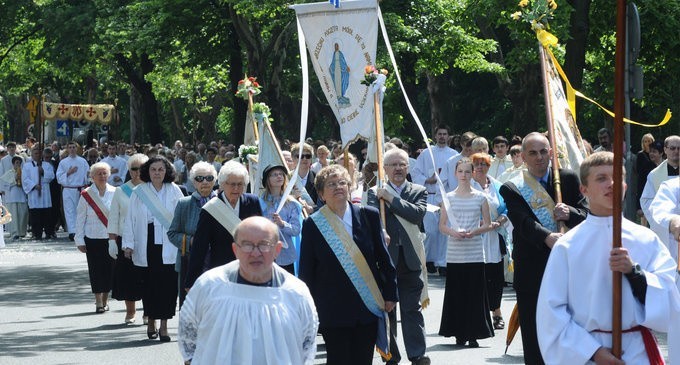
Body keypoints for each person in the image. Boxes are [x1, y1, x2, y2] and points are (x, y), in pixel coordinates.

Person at [537, 152, 680, 364]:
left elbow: (669, 298)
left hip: (637, 351)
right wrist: (593, 352)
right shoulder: (568, 246)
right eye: (601, 178)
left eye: (617, 178)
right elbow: (551, 313)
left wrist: (635, 273)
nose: (612, 184)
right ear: (584, 190)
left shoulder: (646, 239)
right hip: (586, 353)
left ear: (626, 187)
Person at [178, 217, 319, 364]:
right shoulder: (210, 285)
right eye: (247, 245)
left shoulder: (295, 292)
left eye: (264, 245)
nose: (255, 253)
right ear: (235, 249)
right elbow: (188, 335)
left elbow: (307, 344)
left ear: (277, 249)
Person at [499, 132, 587, 365]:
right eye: (532, 153)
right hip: (533, 269)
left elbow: (588, 214)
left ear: (550, 152)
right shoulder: (512, 187)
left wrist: (571, 213)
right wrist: (547, 237)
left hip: (569, 268)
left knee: (570, 330)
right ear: (523, 157)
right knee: (535, 333)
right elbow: (522, 222)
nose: (539, 157)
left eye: (543, 151)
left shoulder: (567, 179)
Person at [299, 165, 397, 365]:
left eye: (342, 182)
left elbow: (384, 259)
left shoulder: (369, 215)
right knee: (339, 359)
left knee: (363, 360)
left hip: (367, 305)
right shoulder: (313, 224)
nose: (338, 187)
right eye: (331, 184)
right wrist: (306, 305)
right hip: (332, 309)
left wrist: (390, 293)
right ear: (321, 193)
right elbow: (307, 270)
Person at [366, 149, 431, 365]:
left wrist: (391, 199)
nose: (398, 168)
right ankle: (391, 355)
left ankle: (418, 355)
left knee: (412, 309)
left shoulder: (419, 190)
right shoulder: (374, 192)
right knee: (388, 310)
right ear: (384, 169)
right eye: (393, 165)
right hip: (386, 261)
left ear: (408, 167)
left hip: (411, 259)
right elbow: (372, 218)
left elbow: (416, 214)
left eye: (402, 164)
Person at [122, 156, 184, 342]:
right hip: (146, 242)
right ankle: (151, 321)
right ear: (147, 172)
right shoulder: (139, 191)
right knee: (148, 284)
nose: (157, 173)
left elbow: (180, 218)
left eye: (161, 169)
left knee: (168, 285)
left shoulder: (175, 191)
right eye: (153, 169)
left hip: (169, 243)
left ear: (167, 172)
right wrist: (128, 244)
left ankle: (164, 325)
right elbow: (130, 219)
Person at [438, 158, 498, 348]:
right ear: (455, 174)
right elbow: (441, 226)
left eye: (467, 171)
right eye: (460, 171)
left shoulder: (481, 198)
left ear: (472, 174)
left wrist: (474, 232)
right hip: (455, 253)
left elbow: (488, 224)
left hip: (474, 253)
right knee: (457, 293)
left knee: (474, 294)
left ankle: (474, 334)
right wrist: (454, 233)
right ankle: (458, 333)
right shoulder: (448, 197)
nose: (463, 175)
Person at [184, 160, 262, 289]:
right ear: (222, 184)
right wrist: (191, 280)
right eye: (232, 184)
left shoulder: (252, 202)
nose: (236, 188)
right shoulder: (211, 208)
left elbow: (261, 236)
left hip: (250, 269)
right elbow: (199, 246)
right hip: (221, 272)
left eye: (240, 184)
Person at [167, 161, 217, 308]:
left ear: (215, 180)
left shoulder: (222, 202)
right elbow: (172, 233)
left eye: (209, 178)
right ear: (193, 182)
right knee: (191, 306)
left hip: (216, 261)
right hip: (190, 261)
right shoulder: (184, 203)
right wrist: (190, 241)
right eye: (199, 178)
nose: (205, 182)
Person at [412, 125, 458, 276]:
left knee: (445, 230)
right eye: (439, 134)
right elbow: (415, 171)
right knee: (431, 230)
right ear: (435, 136)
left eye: (445, 134)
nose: (442, 137)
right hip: (430, 195)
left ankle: (443, 262)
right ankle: (430, 260)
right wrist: (427, 180)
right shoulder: (426, 153)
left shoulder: (454, 155)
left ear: (448, 136)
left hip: (447, 198)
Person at [471, 152, 509, 331]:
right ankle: (481, 313)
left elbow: (506, 207)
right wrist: (478, 223)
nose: (480, 167)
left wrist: (500, 220)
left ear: (489, 166)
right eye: (477, 164)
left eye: (484, 164)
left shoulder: (496, 185)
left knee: (496, 277)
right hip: (476, 237)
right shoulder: (466, 186)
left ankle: (497, 313)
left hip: (495, 236)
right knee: (479, 276)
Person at [108, 153, 148, 324]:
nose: (137, 172)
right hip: (125, 239)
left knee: (148, 277)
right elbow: (114, 217)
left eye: (141, 169)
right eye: (134, 169)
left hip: (148, 238)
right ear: (129, 171)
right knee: (127, 277)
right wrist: (111, 240)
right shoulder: (120, 190)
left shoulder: (152, 190)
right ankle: (130, 311)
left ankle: (148, 312)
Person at [75, 162, 116, 313]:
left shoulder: (115, 192)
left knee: (109, 270)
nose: (102, 176)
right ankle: (98, 300)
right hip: (92, 237)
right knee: (95, 270)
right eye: (99, 173)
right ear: (92, 177)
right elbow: (80, 218)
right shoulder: (86, 194)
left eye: (105, 173)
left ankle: (105, 298)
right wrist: (79, 240)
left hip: (110, 238)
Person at [258, 164, 302, 275]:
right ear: (267, 180)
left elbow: (296, 230)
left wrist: (282, 224)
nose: (279, 177)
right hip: (264, 253)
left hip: (285, 255)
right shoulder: (259, 202)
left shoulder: (291, 203)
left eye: (281, 174)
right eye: (275, 175)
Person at [640, 135, 680, 253]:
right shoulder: (654, 175)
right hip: (666, 229)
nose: (676, 151)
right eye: (672, 148)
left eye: (679, 148)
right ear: (665, 149)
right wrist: (660, 221)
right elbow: (646, 200)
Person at [57, 141, 91, 241]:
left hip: (80, 188)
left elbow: (87, 174)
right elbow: (59, 177)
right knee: (69, 210)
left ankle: (80, 231)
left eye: (74, 147)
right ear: (67, 149)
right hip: (68, 189)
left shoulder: (82, 161)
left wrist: (87, 180)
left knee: (80, 210)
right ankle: (72, 231)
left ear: (77, 149)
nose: (72, 149)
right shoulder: (63, 162)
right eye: (70, 147)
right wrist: (68, 173)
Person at [22, 147, 56, 240]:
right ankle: (37, 233)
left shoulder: (46, 165)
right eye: (35, 153)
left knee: (47, 213)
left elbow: (52, 176)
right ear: (32, 155)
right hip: (34, 192)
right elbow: (25, 179)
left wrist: (43, 172)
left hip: (44, 190)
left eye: (39, 153)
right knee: (35, 214)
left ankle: (48, 232)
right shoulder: (27, 166)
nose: (37, 155)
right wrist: (34, 185)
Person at [2, 156, 28, 240]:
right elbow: (5, 186)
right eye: (16, 163)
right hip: (12, 197)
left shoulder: (24, 172)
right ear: (13, 164)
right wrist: (14, 179)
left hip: (22, 196)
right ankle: (15, 232)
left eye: (19, 163)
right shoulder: (8, 173)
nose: (18, 164)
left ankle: (22, 232)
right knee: (14, 216)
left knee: (22, 215)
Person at [290, 142, 318, 214]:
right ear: (293, 158)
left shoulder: (319, 179)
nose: (304, 159)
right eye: (300, 156)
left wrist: (312, 209)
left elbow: (326, 204)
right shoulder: (286, 178)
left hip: (313, 220)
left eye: (308, 156)